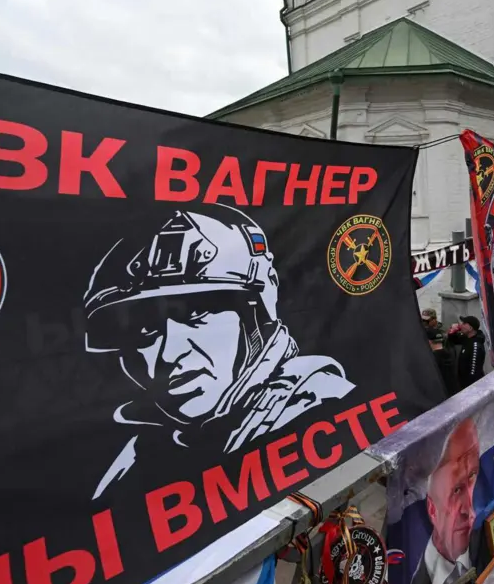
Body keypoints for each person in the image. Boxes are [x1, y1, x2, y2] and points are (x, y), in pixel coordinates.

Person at [82, 206, 355, 499]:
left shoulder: (321, 407)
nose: (169, 355)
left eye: (196, 314)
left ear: (256, 318)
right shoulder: (136, 459)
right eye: (146, 330)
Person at [393, 419, 480, 584]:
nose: (470, 511)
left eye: (473, 477)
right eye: (457, 489)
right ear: (431, 508)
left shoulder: (490, 545)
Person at [449, 315, 487, 390]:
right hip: (462, 382)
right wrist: (453, 330)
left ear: (470, 328)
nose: (461, 325)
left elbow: (474, 370)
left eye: (464, 324)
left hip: (471, 386)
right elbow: (453, 340)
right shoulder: (466, 338)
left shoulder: (476, 345)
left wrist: (468, 387)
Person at [427, 327, 459, 397]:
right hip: (454, 393)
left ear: (428, 341)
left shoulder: (431, 360)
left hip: (441, 396)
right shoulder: (451, 352)